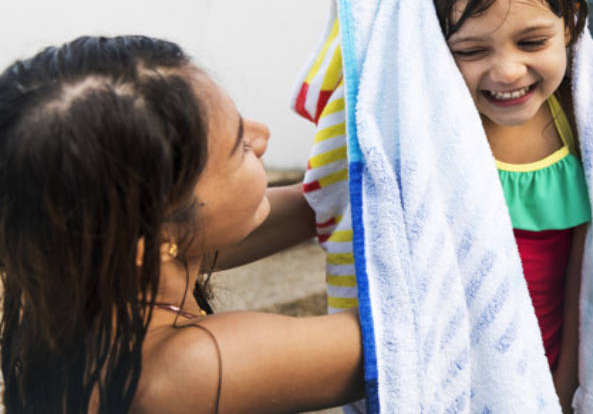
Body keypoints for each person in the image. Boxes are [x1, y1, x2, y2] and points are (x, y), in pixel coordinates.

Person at [0, 35, 363, 414]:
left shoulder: (85, 281)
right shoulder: (199, 367)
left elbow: (318, 205)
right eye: (239, 148)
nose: (262, 137)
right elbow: (406, 331)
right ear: (157, 241)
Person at [416, 0, 589, 411]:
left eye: (532, 42)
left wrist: (565, 384)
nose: (508, 71)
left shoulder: (581, 127)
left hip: (549, 373)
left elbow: (587, 271)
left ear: (570, 22)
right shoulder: (428, 138)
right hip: (449, 379)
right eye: (470, 50)